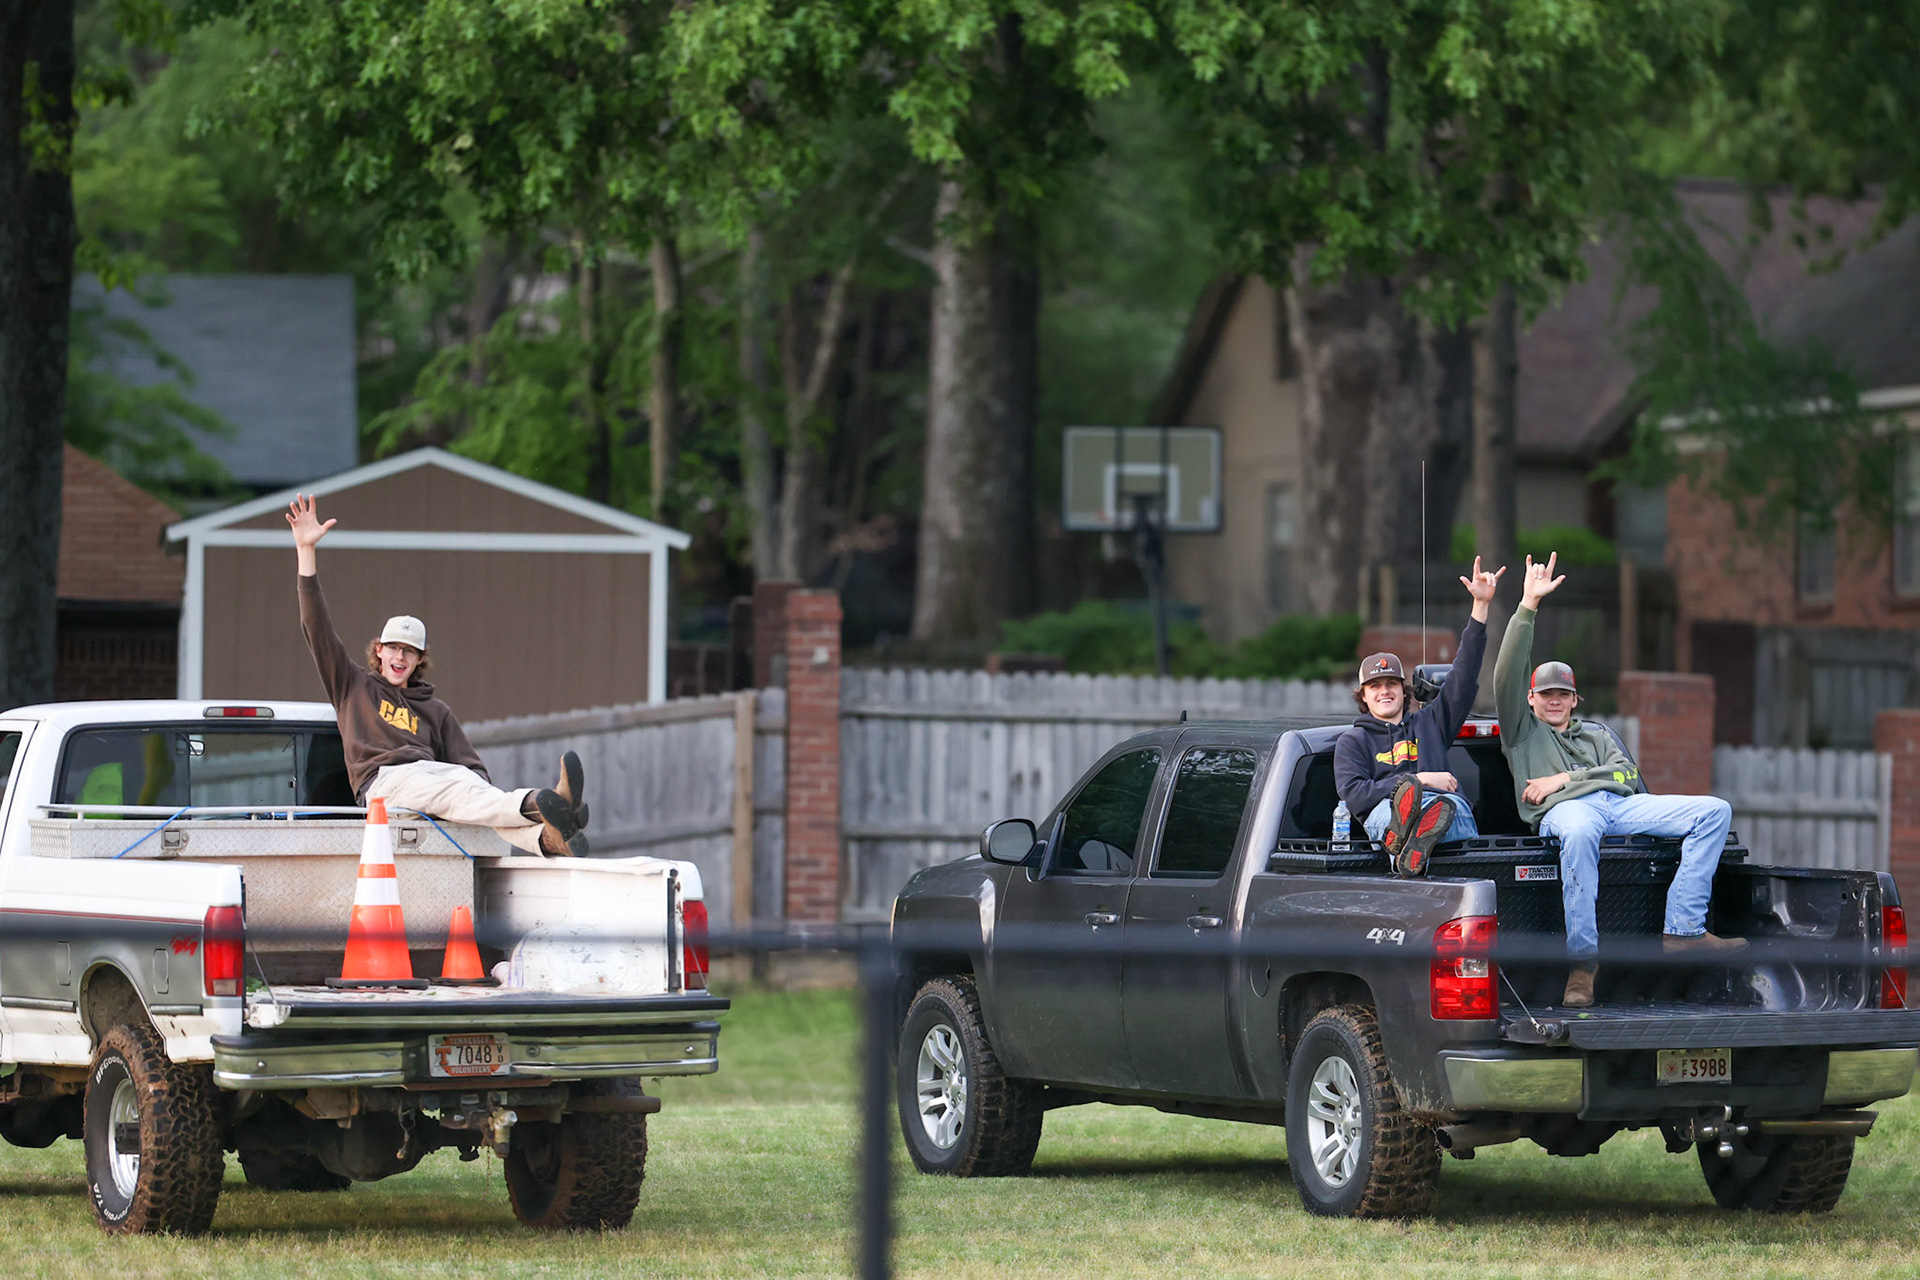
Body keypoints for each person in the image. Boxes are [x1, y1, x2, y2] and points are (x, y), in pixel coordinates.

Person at [1495, 552, 1746, 1009]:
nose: (1554, 701)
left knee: (1714, 811)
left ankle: (1684, 931)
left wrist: (1563, 778)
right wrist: (1527, 606)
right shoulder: (1520, 731)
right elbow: (1506, 672)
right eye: (1545, 694)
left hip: (1616, 806)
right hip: (1567, 815)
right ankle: (1583, 966)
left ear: (1575, 699)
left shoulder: (1596, 733)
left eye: (1563, 694)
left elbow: (1627, 774)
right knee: (1578, 828)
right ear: (1530, 699)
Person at [287, 493, 588, 857]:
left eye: (409, 651)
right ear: (378, 650)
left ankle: (547, 837)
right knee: (457, 792)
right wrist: (306, 552)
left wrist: (475, 797)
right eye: (394, 648)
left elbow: (475, 772)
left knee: (469, 790)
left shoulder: (436, 711)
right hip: (384, 786)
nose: (400, 656)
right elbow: (316, 627)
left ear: (419, 660)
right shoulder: (352, 686)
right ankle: (542, 802)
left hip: (431, 782)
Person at [1333, 557, 1505, 877]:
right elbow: (1357, 796)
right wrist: (1418, 781)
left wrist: (1480, 607)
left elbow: (1463, 676)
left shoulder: (1431, 723)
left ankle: (1409, 843)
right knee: (1390, 810)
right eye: (1375, 686)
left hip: (1446, 813)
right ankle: (1409, 833)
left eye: (1391, 684)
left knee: (1447, 808)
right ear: (1364, 695)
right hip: (1389, 814)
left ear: (1404, 690)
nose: (1384, 691)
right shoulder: (1353, 741)